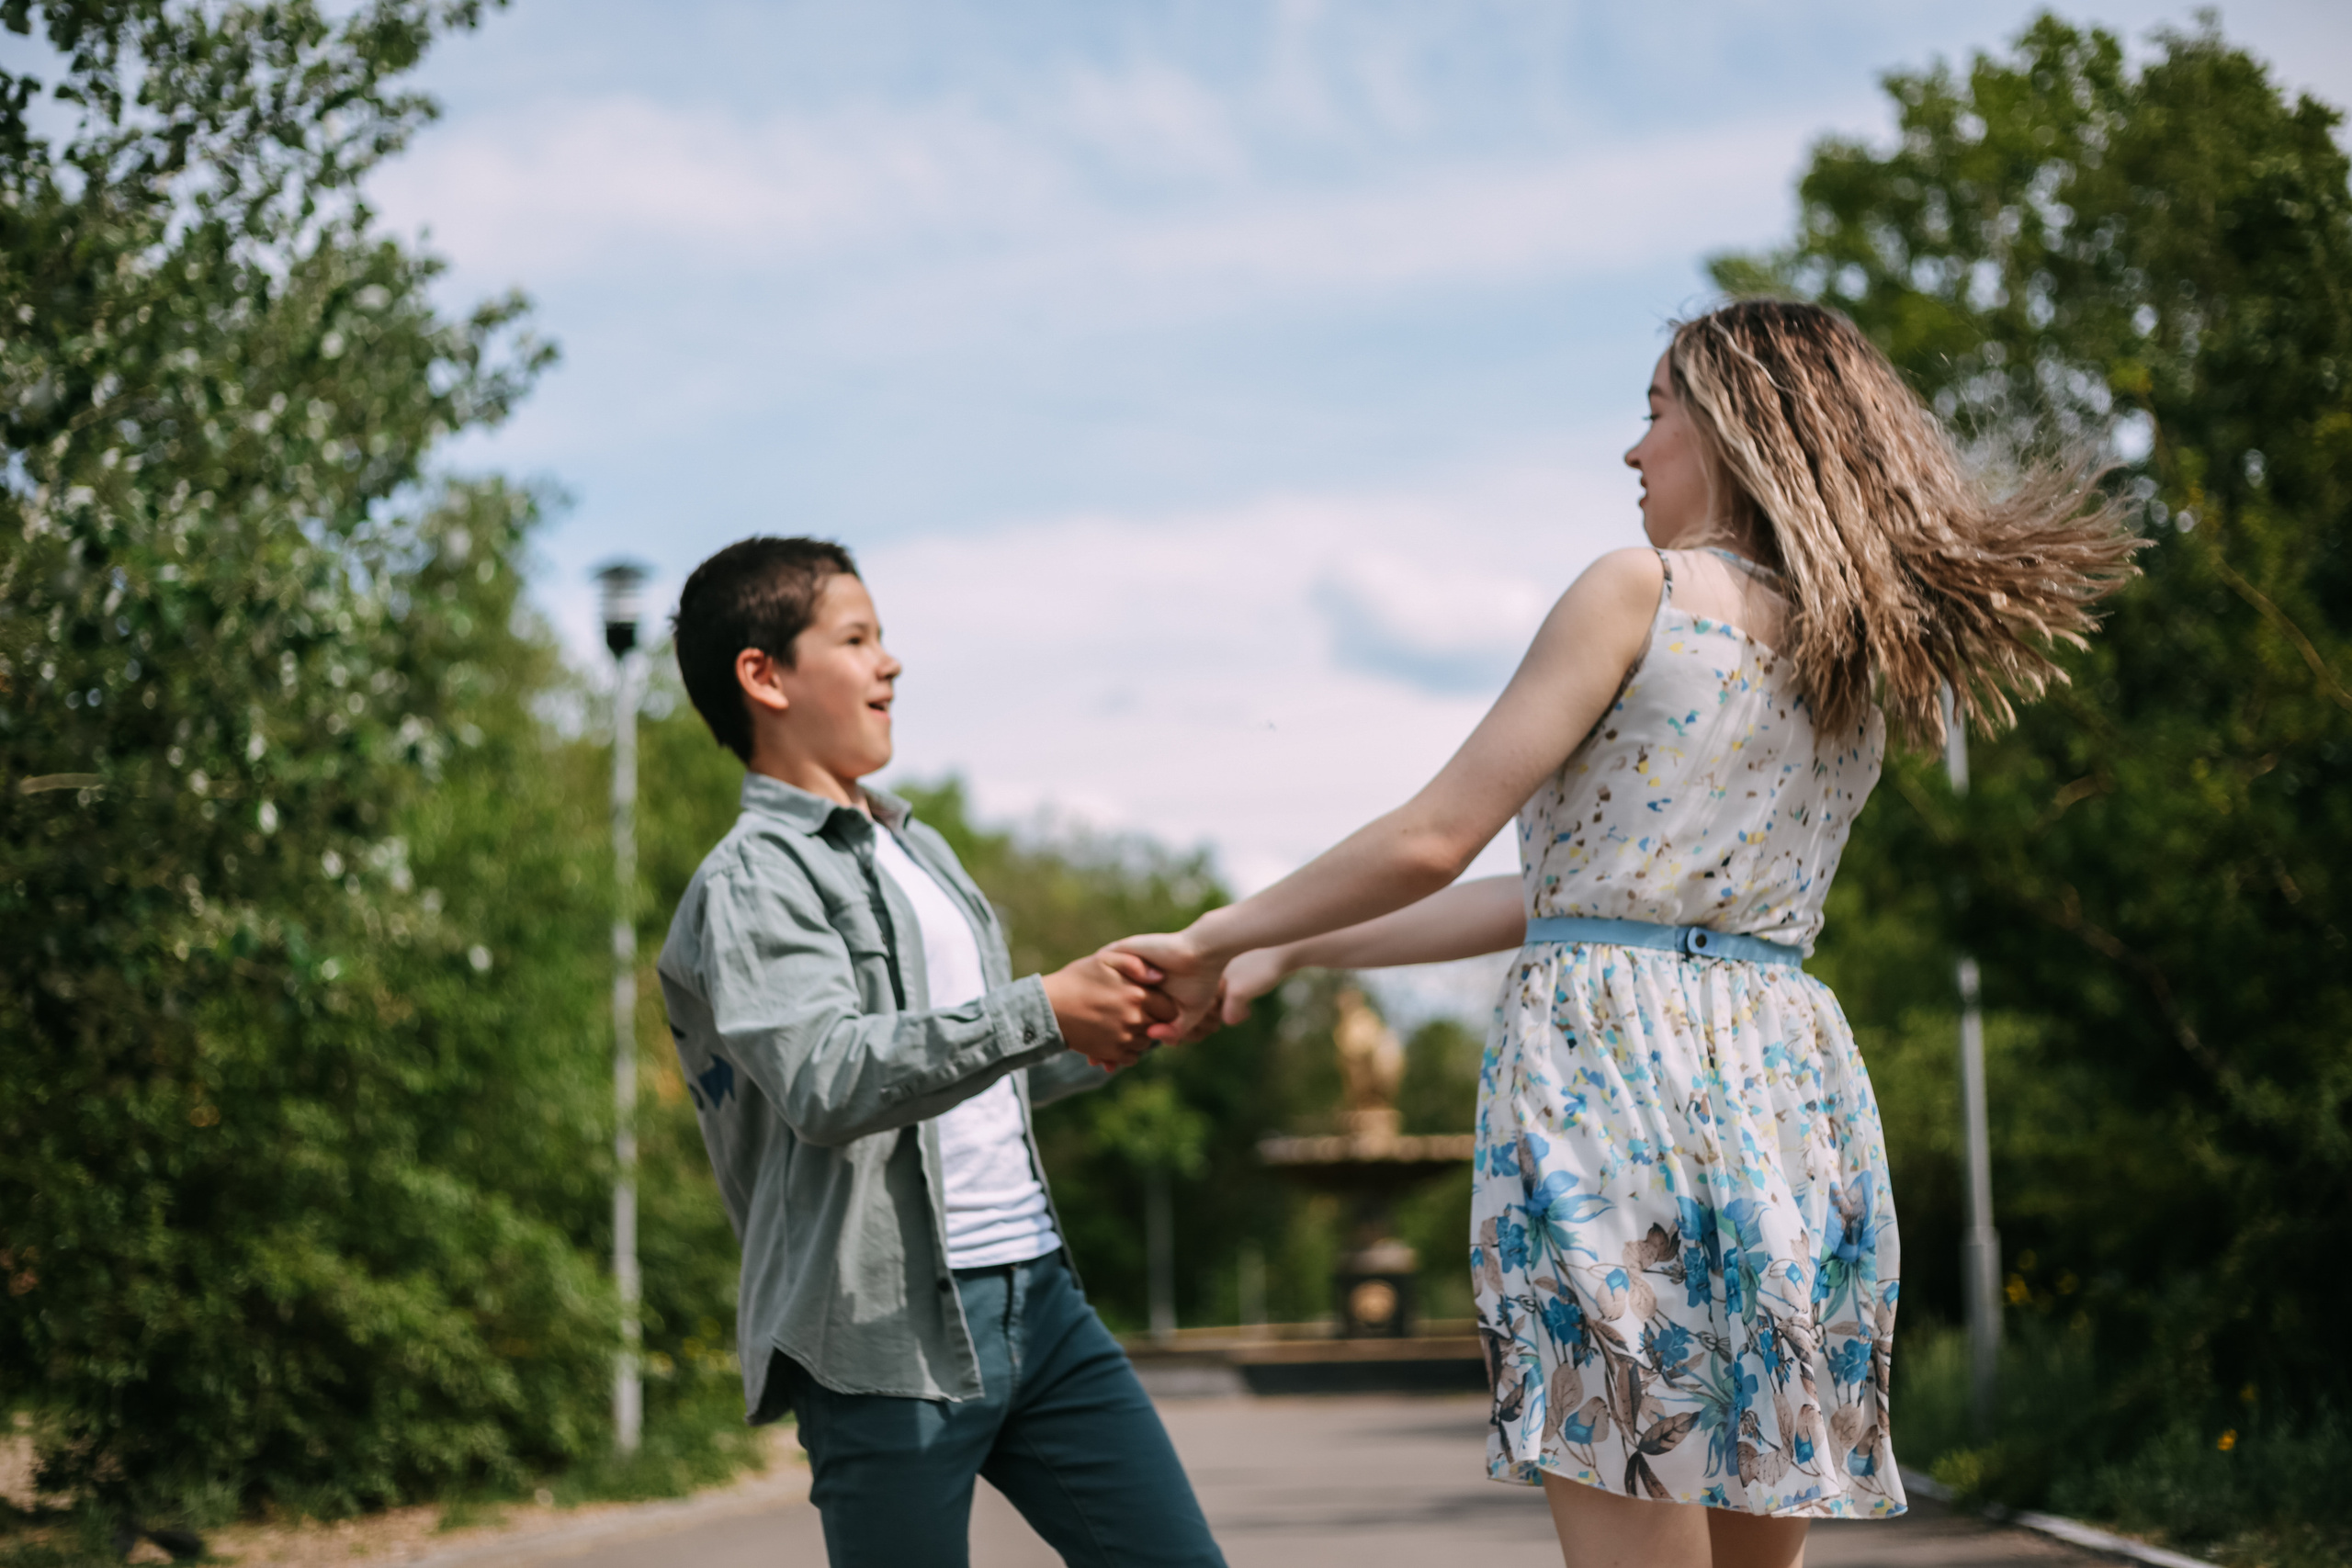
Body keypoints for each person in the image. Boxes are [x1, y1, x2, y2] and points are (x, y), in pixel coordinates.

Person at [1118, 300, 2138, 1568]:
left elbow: (1441, 834)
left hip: (1611, 1080)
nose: (1634, 447)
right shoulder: (1855, 655)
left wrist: (1220, 929)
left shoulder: (1635, 591)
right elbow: (1568, 893)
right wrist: (1298, 947)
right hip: (1785, 1087)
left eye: (1657, 409)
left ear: (1735, 427)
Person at [657, 536, 1226, 1568]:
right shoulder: (752, 881)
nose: (892, 663)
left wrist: (1116, 1029)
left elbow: (966, 1080)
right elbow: (829, 1079)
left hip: (1040, 1301)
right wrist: (1044, 1009)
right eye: (858, 637)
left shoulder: (918, 847)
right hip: (882, 1335)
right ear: (764, 674)